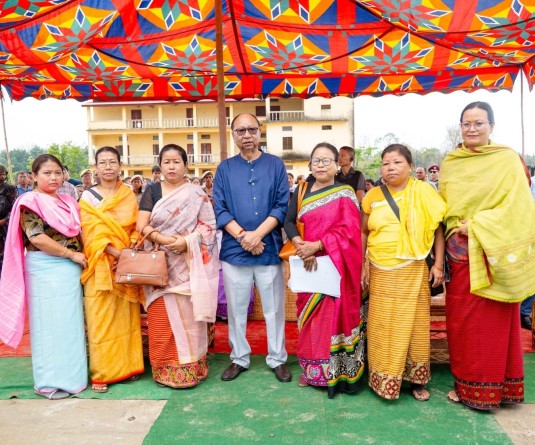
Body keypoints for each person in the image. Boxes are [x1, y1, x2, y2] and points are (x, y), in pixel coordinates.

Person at [439, 101, 535, 410]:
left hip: (494, 251)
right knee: (463, 323)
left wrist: (478, 225)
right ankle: (469, 387)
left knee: (495, 324)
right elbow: (444, 207)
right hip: (459, 254)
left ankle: (498, 389)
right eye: (466, 123)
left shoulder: (507, 159)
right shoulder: (452, 162)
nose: (472, 129)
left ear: (491, 126)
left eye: (478, 123)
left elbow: (519, 206)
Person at [361, 144, 446, 402]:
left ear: (410, 165)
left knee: (414, 326)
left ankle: (416, 380)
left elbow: (438, 229)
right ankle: (383, 378)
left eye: (397, 162)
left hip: (413, 268)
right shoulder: (373, 195)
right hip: (379, 269)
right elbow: (364, 231)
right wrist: (362, 264)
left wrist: (438, 265)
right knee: (383, 326)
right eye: (385, 163)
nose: (390, 168)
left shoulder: (424, 192)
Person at [0, 154, 88, 399]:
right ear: (34, 176)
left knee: (70, 324)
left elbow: (79, 233)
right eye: (47, 173)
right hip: (44, 268)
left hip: (70, 270)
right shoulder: (29, 201)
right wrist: (70, 254)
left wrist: (79, 257)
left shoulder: (68, 201)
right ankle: (49, 382)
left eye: (57, 172)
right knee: (48, 326)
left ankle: (74, 379)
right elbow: (36, 237)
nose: (53, 177)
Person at [213, 113, 291, 383]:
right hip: (234, 251)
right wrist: (244, 237)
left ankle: (277, 358)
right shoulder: (224, 169)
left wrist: (256, 236)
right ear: (233, 134)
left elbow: (281, 205)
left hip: (268, 248)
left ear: (260, 132)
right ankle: (239, 357)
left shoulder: (275, 165)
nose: (246, 135)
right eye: (240, 131)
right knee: (236, 309)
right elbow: (220, 208)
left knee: (274, 308)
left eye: (251, 130)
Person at [284, 142, 364, 397]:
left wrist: (318, 245)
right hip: (307, 265)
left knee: (332, 318)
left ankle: (338, 372)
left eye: (326, 160)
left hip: (335, 267)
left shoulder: (345, 194)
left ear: (337, 165)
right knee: (310, 320)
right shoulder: (301, 191)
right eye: (316, 160)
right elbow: (288, 221)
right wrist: (300, 244)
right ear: (310, 165)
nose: (320, 165)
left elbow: (350, 232)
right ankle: (312, 370)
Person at [137, 144, 219, 388]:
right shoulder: (152, 190)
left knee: (190, 319)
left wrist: (186, 242)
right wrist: (164, 240)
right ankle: (165, 369)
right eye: (167, 162)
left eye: (176, 162)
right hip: (159, 265)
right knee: (162, 319)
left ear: (186, 165)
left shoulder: (196, 193)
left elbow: (209, 226)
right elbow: (142, 225)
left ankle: (191, 368)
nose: (171, 166)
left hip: (189, 266)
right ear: (160, 166)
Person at [79, 146, 145, 393]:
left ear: (120, 165)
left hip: (126, 265)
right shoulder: (87, 198)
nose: (108, 167)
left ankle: (128, 367)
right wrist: (117, 253)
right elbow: (89, 232)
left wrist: (130, 249)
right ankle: (103, 373)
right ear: (95, 167)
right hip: (100, 264)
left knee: (126, 318)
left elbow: (136, 226)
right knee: (100, 319)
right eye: (103, 162)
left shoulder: (127, 194)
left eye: (112, 162)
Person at [0, 164, 18, 273]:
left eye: (3, 174)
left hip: (6, 227)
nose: (1, 177)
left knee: (6, 257)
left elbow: (15, 209)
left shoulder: (10, 189)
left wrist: (5, 220)